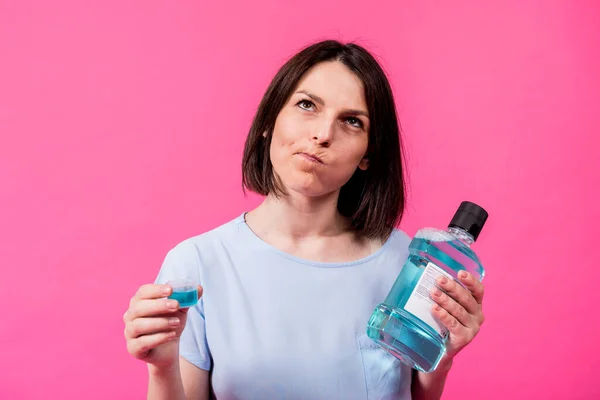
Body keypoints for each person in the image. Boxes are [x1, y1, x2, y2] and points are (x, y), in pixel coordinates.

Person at [123, 40, 486, 400]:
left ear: (368, 155)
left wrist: (443, 356)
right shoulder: (198, 262)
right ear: (269, 120)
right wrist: (163, 368)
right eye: (307, 105)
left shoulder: (406, 262)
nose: (323, 134)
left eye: (351, 121)